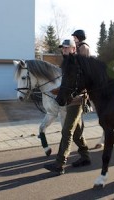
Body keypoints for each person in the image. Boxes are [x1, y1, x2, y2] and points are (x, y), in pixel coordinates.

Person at [44, 39, 91, 175]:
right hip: (69, 100)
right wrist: (57, 90)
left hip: (76, 100)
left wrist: (82, 95)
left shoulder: (78, 62)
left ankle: (60, 163)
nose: (64, 50)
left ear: (73, 49)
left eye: (66, 48)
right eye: (62, 48)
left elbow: (84, 81)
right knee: (76, 133)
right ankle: (85, 156)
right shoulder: (67, 63)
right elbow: (67, 83)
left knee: (67, 131)